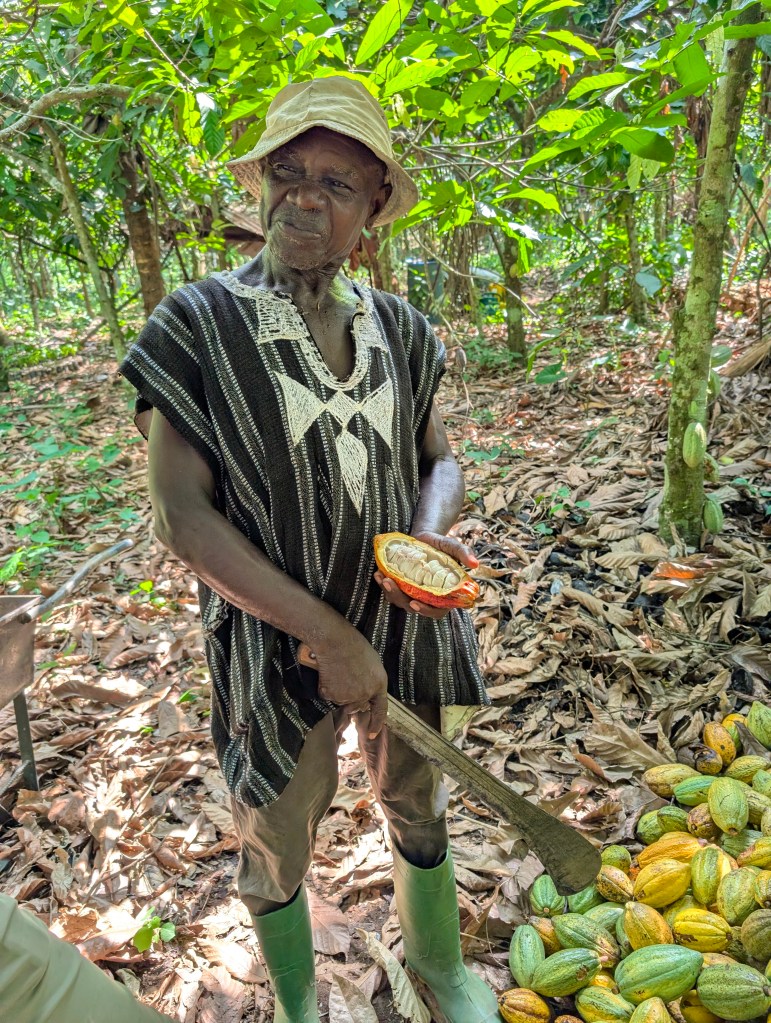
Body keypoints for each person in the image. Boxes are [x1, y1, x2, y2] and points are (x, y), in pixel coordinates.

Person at [120, 76, 499, 1022]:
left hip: (405, 625)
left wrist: (424, 541)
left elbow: (440, 460)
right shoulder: (197, 325)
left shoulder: (403, 330)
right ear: (259, 185)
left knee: (417, 799)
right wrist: (324, 632)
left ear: (372, 210)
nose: (305, 197)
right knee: (277, 829)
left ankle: (440, 968)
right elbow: (180, 516)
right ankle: (299, 1002)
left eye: (336, 182)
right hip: (272, 638)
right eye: (288, 171)